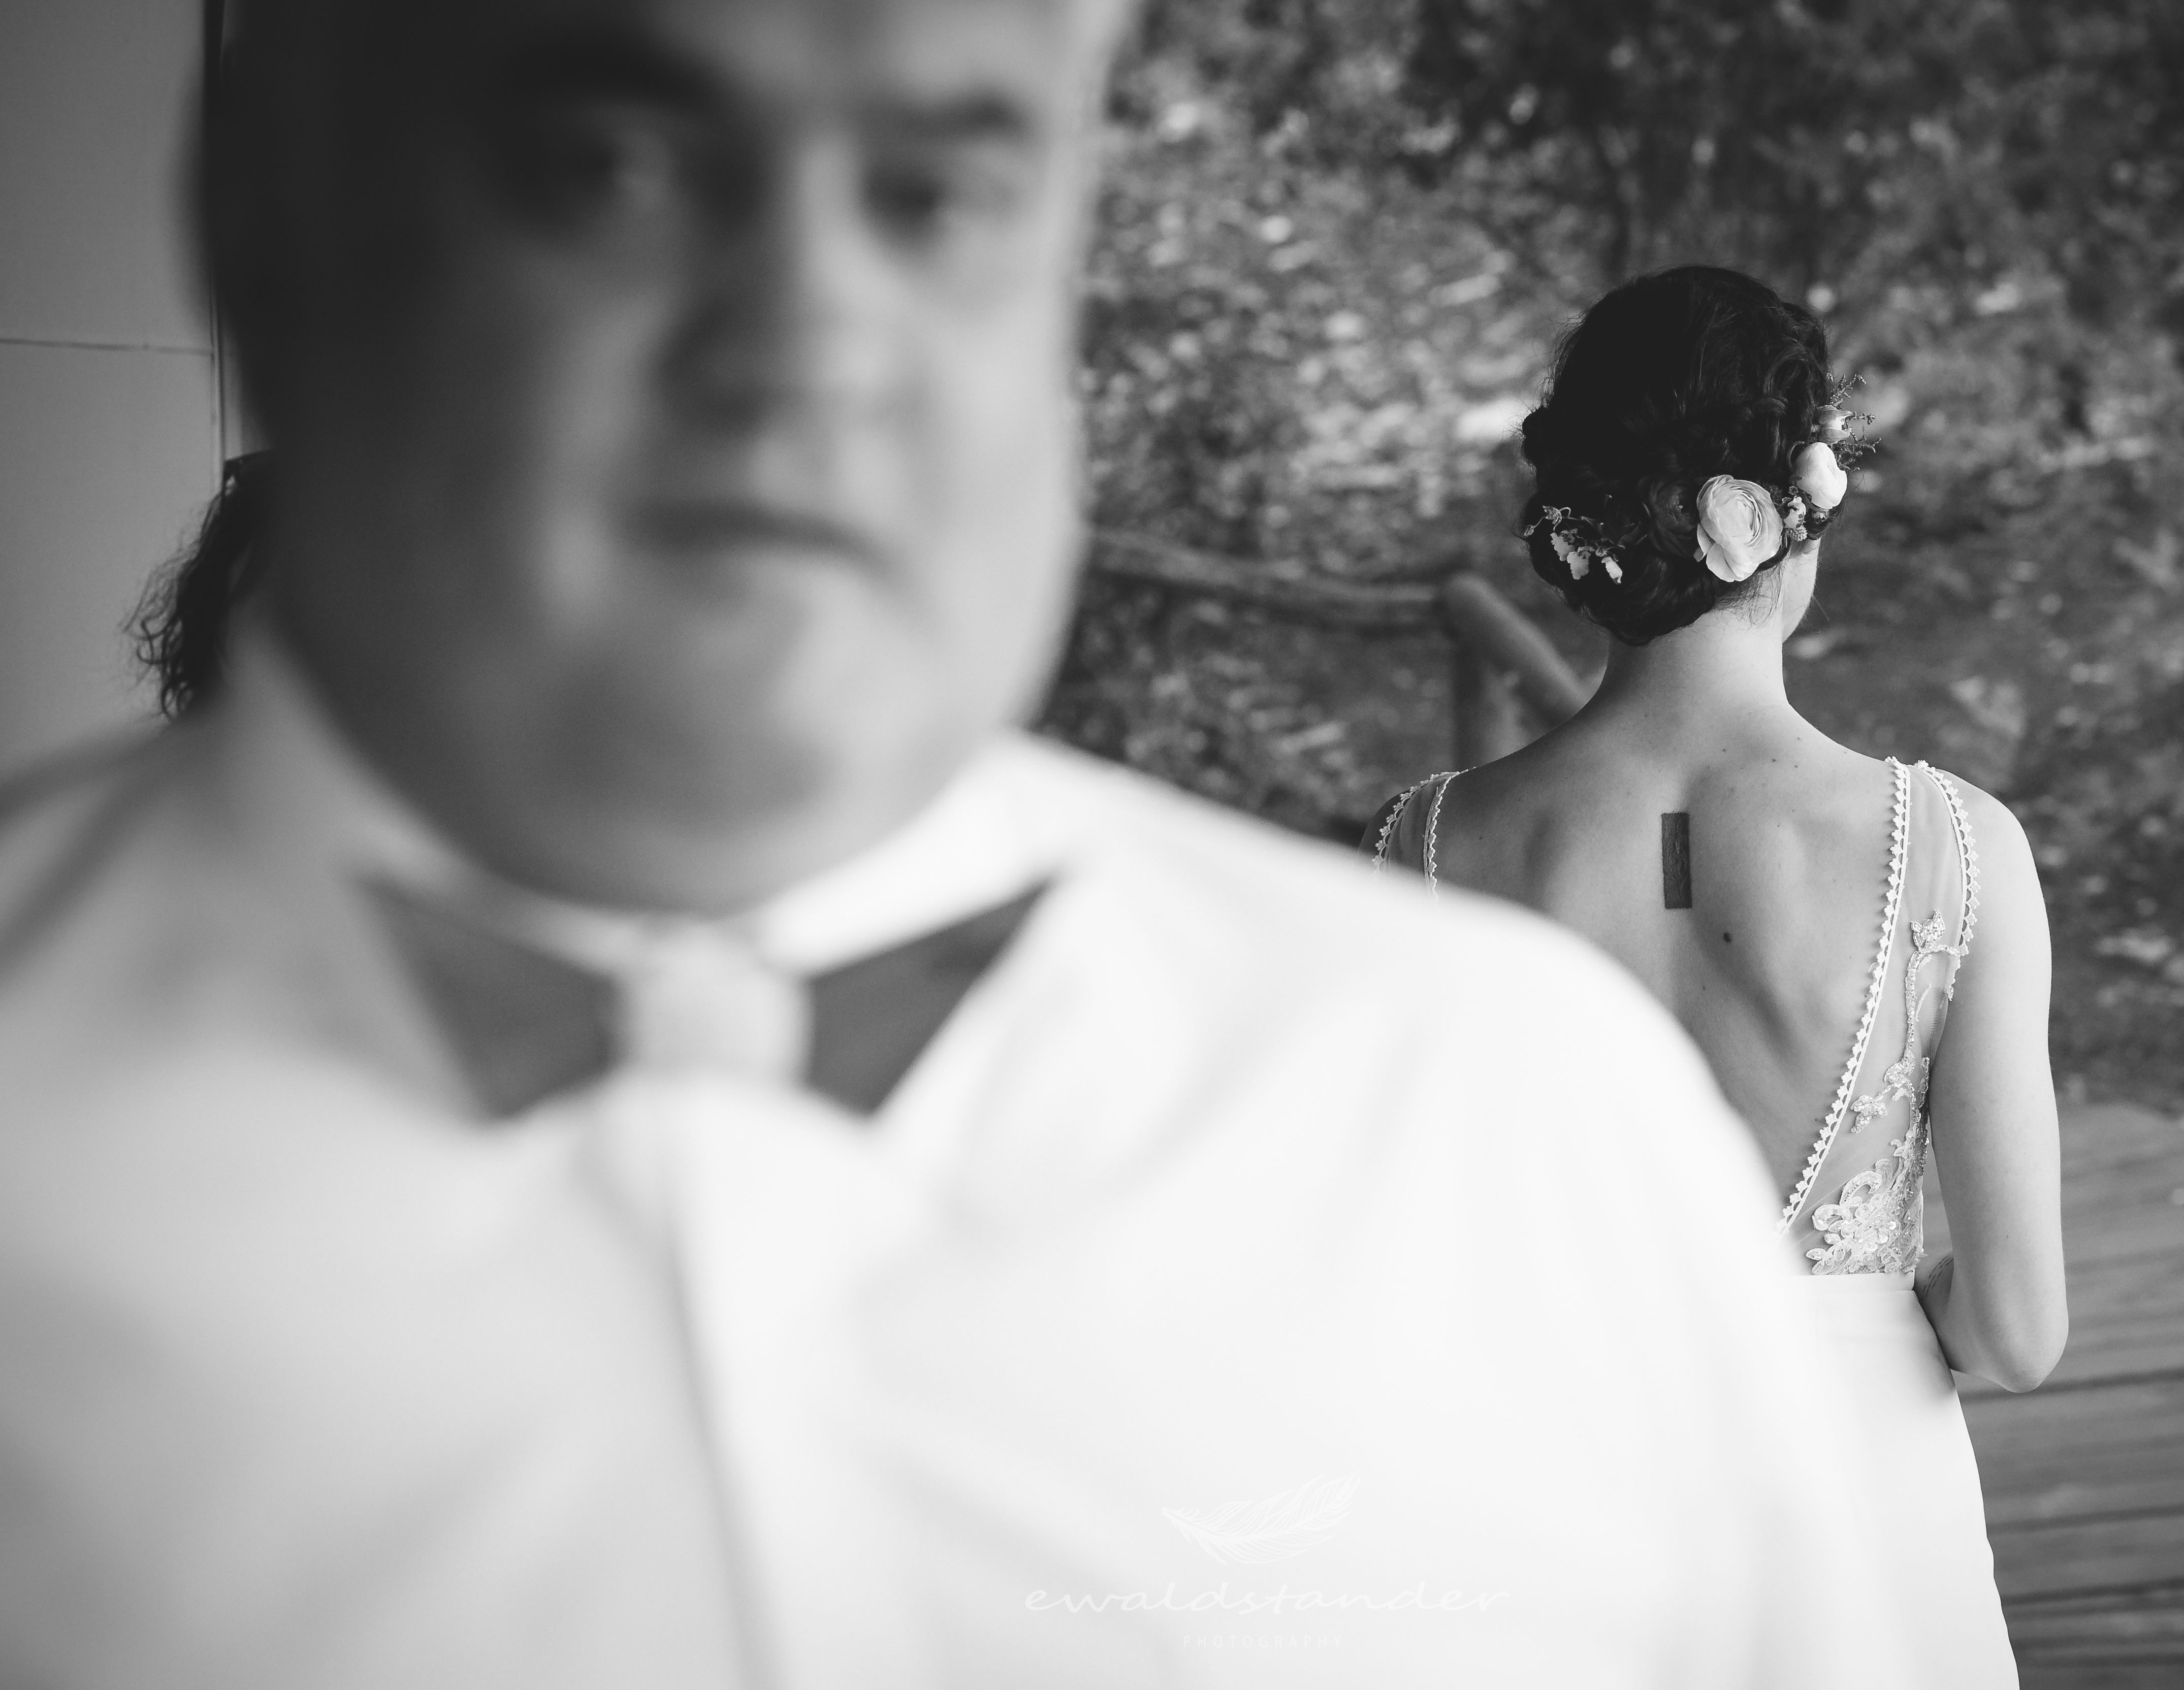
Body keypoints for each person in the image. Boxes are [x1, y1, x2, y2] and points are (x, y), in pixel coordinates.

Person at [0, 7, 1918, 1688]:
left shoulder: (1502, 1109)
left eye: (937, 194)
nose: (816, 344)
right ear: (259, 223)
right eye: (611, 167)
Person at [1370, 265, 2067, 1686]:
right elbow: (2017, 1332)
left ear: (1587, 531)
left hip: (1548, 1502)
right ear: (1795, 512)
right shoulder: (1955, 849)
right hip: (1860, 1506)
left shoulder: (1424, 848)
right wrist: (1859, 1315)